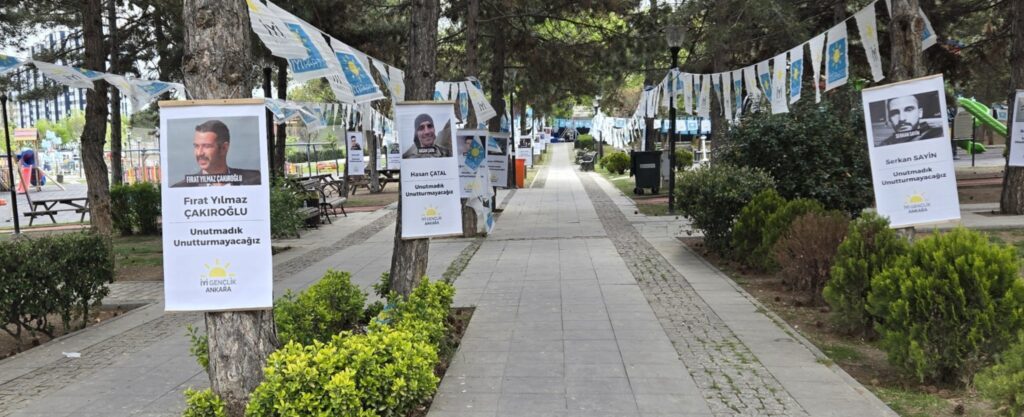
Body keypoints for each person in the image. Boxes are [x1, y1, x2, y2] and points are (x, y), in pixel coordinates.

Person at [173, 120, 260, 187]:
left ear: (224, 148)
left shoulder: (256, 180)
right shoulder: (181, 188)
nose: (199, 153)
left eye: (206, 146)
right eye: (196, 146)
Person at [877, 94, 944, 147]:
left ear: (920, 113)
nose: (902, 118)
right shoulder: (885, 145)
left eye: (909, 110)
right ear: (889, 118)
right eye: (895, 113)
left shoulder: (937, 135)